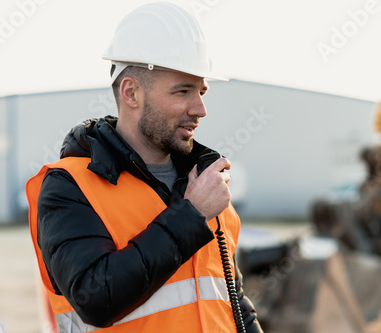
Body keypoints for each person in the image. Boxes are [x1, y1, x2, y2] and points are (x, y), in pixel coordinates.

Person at [26, 2, 263, 332]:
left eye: (201, 91)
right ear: (131, 92)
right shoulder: (69, 186)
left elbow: (235, 305)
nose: (201, 108)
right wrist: (191, 216)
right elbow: (95, 300)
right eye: (183, 91)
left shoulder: (204, 183)